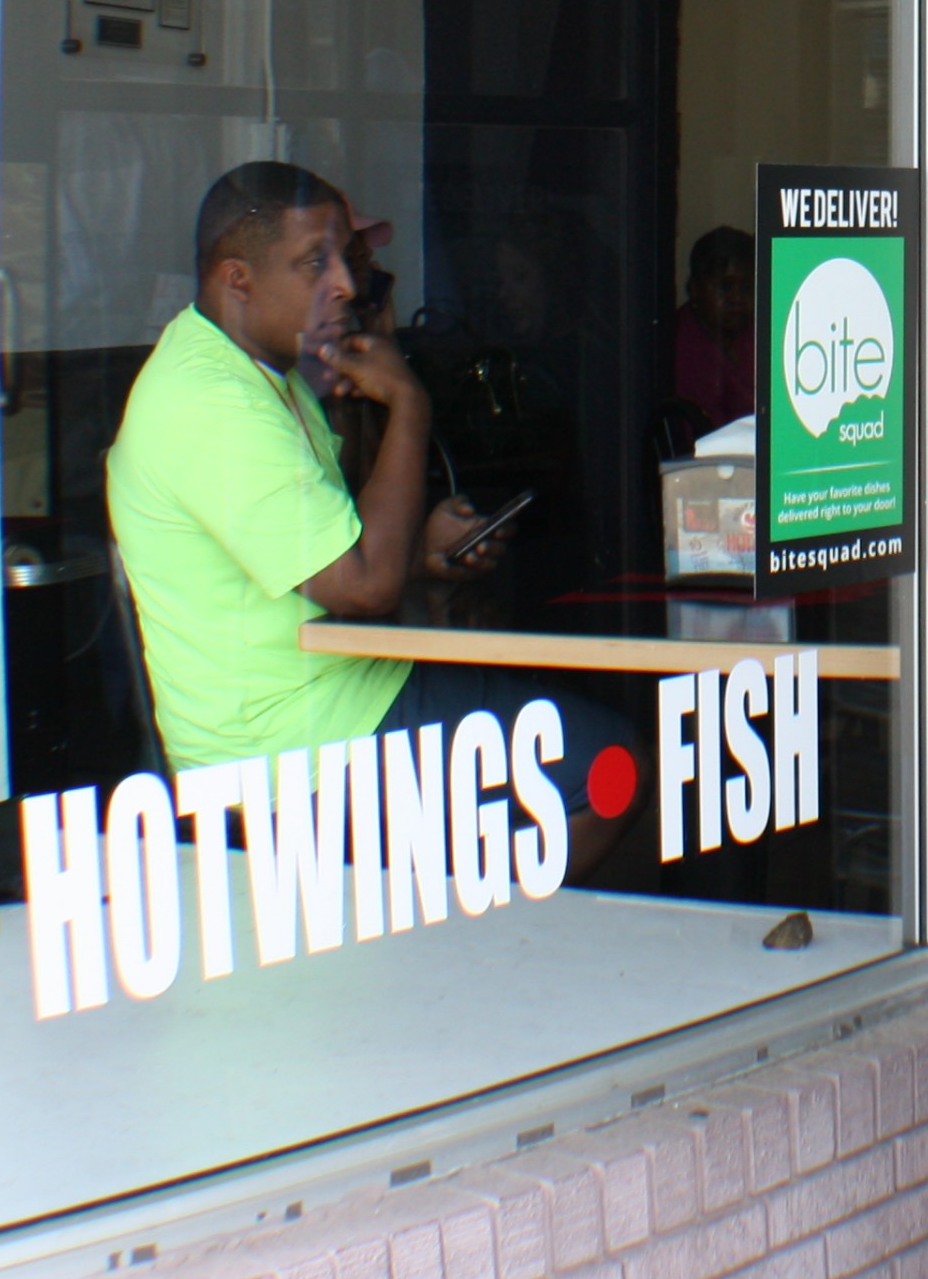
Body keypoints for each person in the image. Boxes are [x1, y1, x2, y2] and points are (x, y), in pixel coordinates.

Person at [111, 162, 626, 824]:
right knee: (612, 772)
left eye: (350, 264)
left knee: (577, 745)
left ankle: (442, 914)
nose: (348, 285)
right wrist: (408, 399)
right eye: (314, 263)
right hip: (290, 747)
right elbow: (367, 585)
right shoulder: (214, 403)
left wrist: (420, 554)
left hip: (337, 698)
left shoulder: (267, 375)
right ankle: (462, 924)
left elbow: (325, 555)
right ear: (238, 279)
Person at [671, 224, 757, 434]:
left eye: (746, 288)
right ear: (694, 288)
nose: (737, 298)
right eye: (725, 287)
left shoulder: (758, 335)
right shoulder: (678, 344)